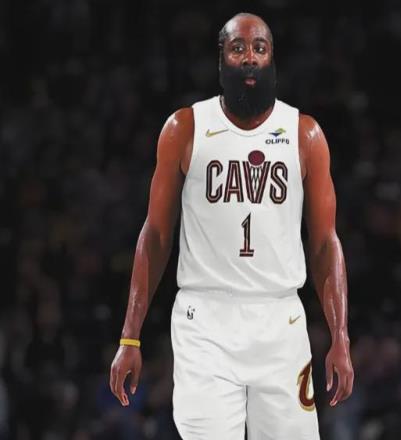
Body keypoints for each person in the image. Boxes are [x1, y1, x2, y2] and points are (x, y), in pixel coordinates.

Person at [109, 12, 354, 439]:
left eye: (260, 48)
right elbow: (156, 235)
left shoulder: (305, 134)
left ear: (272, 59)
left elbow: (324, 245)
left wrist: (340, 335)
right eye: (238, 48)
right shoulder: (185, 128)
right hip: (205, 321)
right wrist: (130, 337)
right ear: (221, 58)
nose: (249, 57)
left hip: (279, 322)